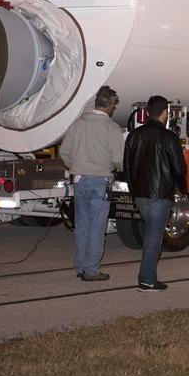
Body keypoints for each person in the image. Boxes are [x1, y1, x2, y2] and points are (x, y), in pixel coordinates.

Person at [123, 95, 188, 292]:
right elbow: (179, 167)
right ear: (165, 113)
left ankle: (148, 277)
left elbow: (126, 167)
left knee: (151, 233)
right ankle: (147, 279)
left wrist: (134, 191)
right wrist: (182, 188)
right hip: (160, 194)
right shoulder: (169, 137)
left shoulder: (134, 135)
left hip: (140, 194)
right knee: (154, 237)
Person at [59, 86, 124, 281]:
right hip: (100, 181)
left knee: (82, 225)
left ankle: (80, 266)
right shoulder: (111, 127)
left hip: (79, 180)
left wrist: (76, 167)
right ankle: (92, 270)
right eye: (114, 105)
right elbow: (118, 159)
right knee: (97, 227)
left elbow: (64, 152)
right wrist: (115, 167)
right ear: (111, 104)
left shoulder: (78, 124)